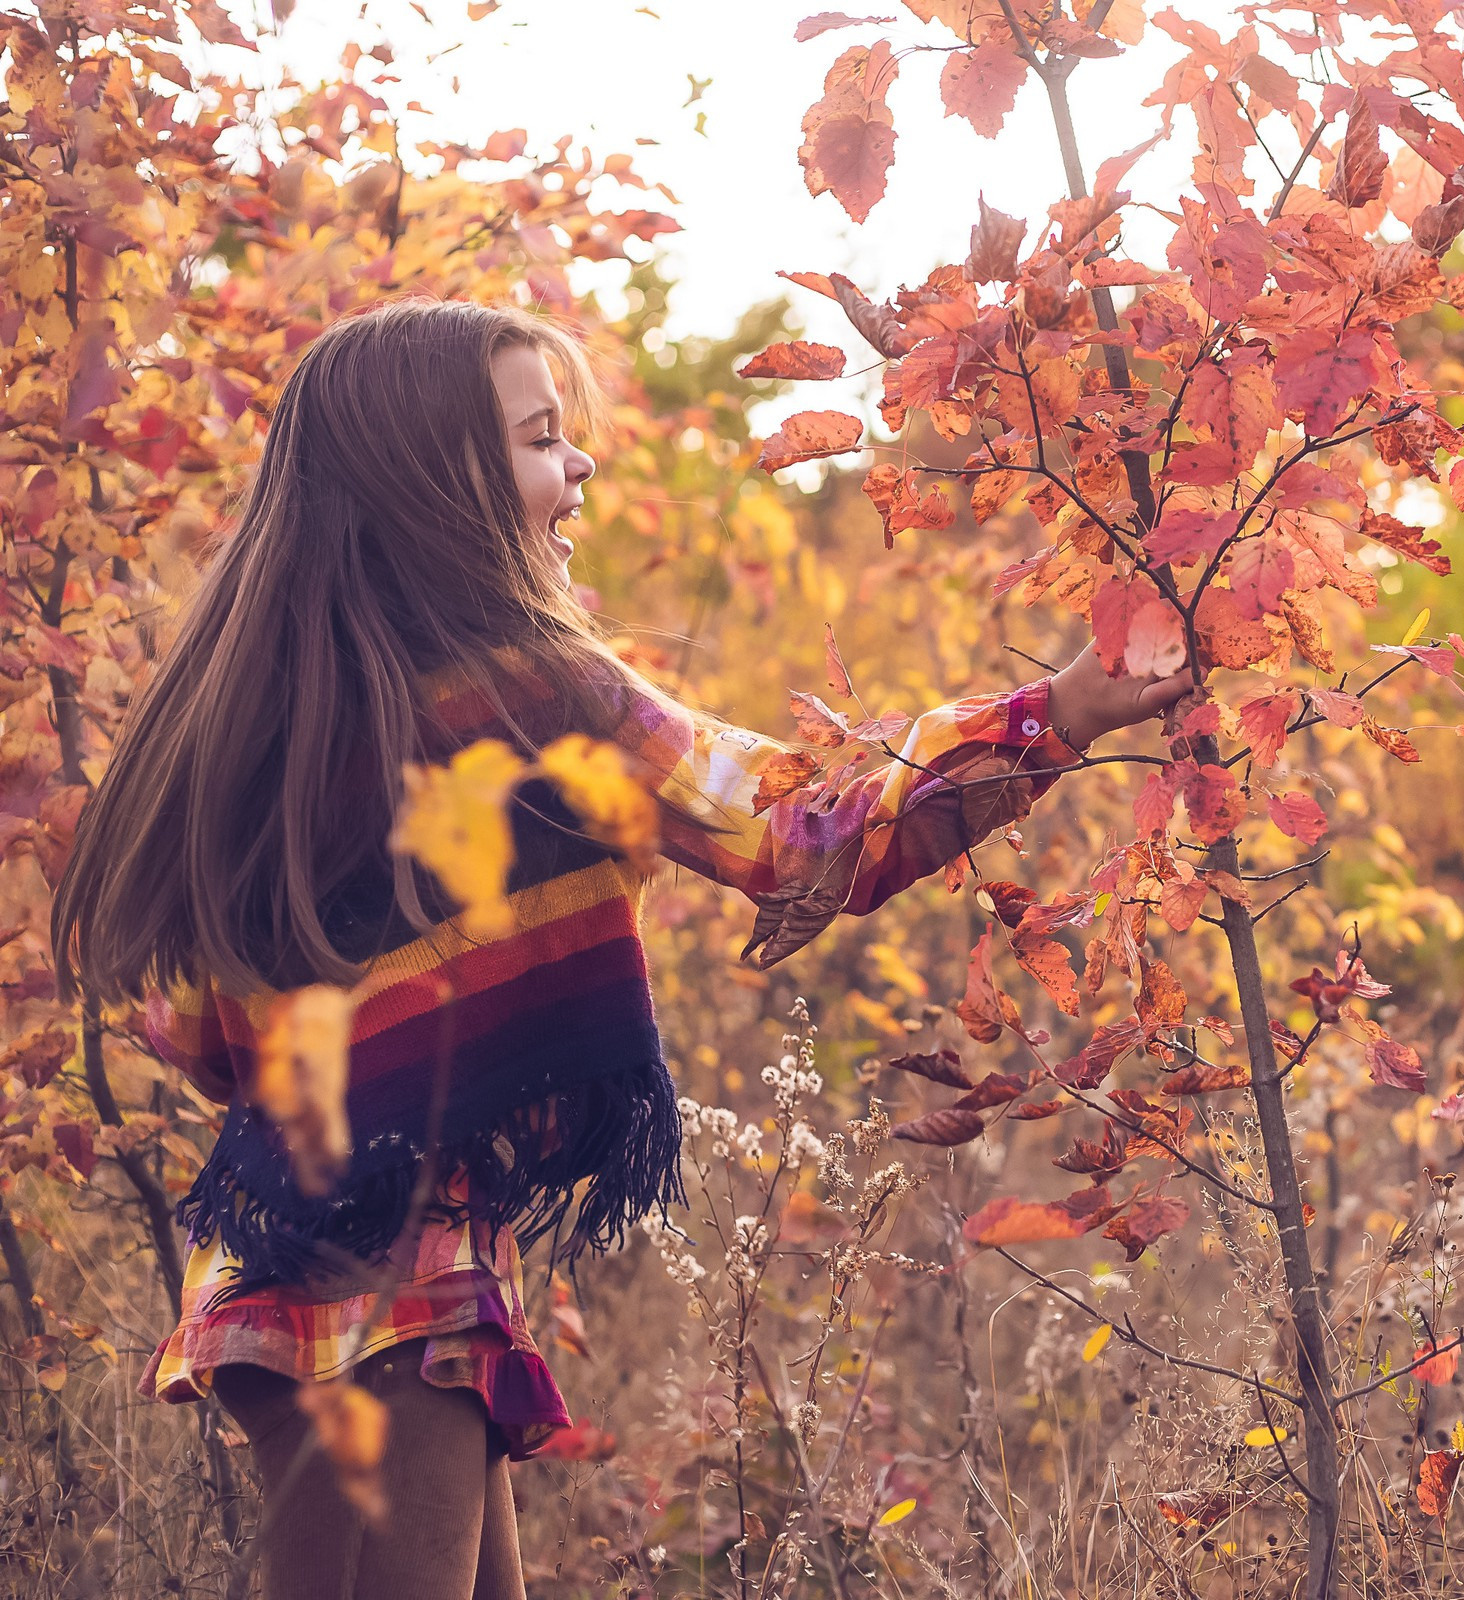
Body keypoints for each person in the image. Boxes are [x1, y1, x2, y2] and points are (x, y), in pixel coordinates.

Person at [50, 297, 1187, 1600]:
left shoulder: (266, 722)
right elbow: (799, 832)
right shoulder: (540, 693)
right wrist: (1062, 712)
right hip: (407, 1261)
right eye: (541, 438)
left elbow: (197, 1037)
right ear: (439, 481)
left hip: (266, 1251)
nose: (578, 462)